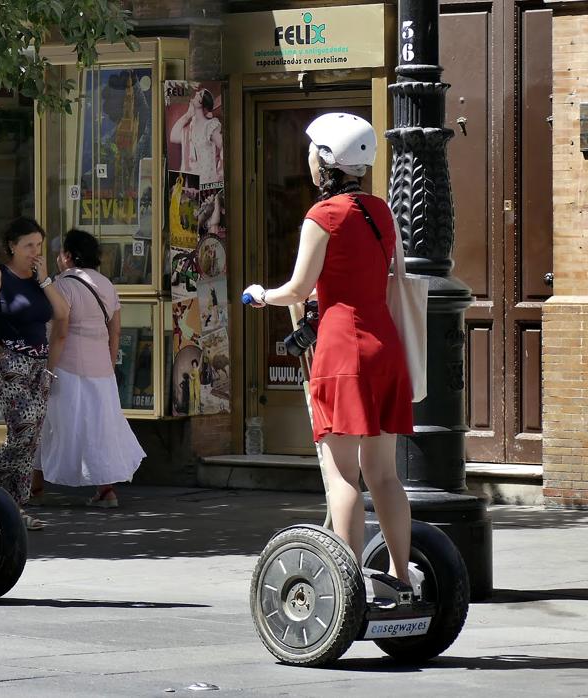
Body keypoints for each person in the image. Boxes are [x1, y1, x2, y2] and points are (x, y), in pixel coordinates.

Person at [243, 113, 415, 589]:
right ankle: (401, 577)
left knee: (341, 476)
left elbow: (299, 289)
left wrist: (260, 295)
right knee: (383, 475)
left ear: (325, 160)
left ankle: (350, 584)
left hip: (343, 351)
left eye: (313, 151)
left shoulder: (323, 216)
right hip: (385, 347)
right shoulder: (380, 211)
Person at [0, 217, 69, 530]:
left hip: (38, 365)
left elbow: (63, 314)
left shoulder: (41, 281)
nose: (34, 251)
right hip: (10, 362)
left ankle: (8, 506)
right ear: (12, 246)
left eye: (39, 245)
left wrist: (46, 280)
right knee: (23, 429)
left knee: (29, 437)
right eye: (28, 245)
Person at [35, 230, 145, 508]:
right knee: (99, 427)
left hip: (66, 366)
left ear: (68, 256)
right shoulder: (106, 284)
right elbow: (115, 331)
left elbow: (58, 333)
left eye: (61, 253)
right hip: (101, 369)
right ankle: (106, 489)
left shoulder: (62, 286)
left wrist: (48, 369)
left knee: (48, 424)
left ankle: (34, 487)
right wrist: (108, 364)